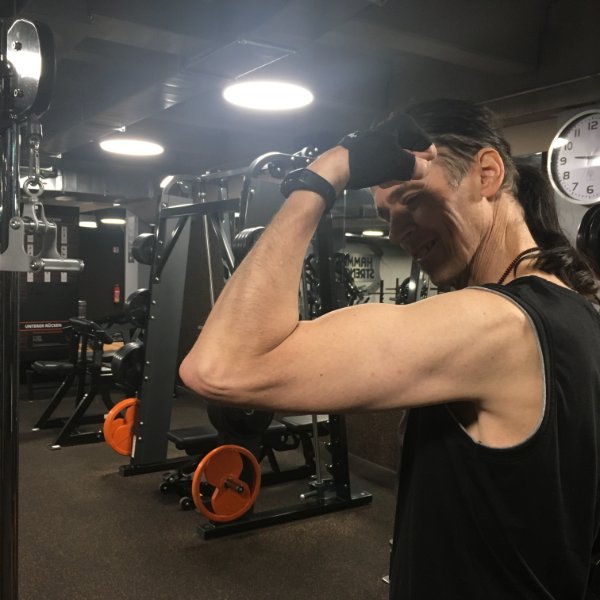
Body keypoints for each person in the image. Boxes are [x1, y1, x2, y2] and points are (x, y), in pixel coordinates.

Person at [179, 98, 600, 599]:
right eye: (387, 215)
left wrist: (327, 173)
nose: (397, 232)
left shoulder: (496, 324)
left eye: (413, 199)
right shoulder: (577, 307)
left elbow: (220, 367)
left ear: (487, 174)